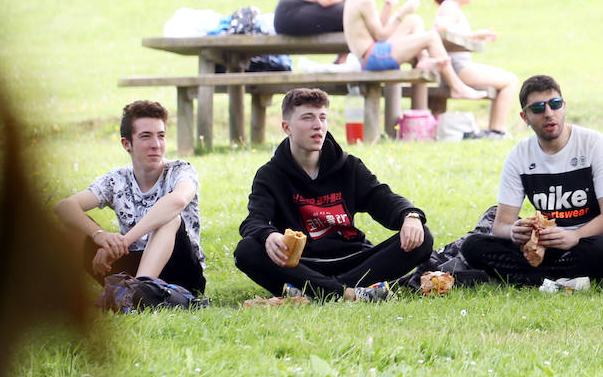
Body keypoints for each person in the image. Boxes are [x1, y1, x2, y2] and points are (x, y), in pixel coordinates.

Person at [233, 88, 433, 301]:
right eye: (307, 118)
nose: (318, 125)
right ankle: (347, 293)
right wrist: (269, 235)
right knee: (246, 250)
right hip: (303, 265)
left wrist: (410, 216)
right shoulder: (270, 174)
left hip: (354, 259)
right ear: (286, 127)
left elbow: (383, 198)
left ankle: (319, 292)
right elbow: (253, 221)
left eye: (322, 117)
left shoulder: (348, 166)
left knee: (423, 237)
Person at [459, 75, 603, 286]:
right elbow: (501, 224)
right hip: (544, 246)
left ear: (563, 107)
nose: (549, 113)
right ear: (525, 117)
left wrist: (575, 236)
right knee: (473, 245)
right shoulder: (519, 155)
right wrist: (514, 231)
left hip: (587, 239)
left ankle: (529, 279)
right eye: (538, 108)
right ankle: (553, 280)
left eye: (555, 105)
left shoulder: (594, 144)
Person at [55, 100, 206, 295]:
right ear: (127, 144)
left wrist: (123, 241)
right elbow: (64, 207)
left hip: (181, 272)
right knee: (70, 226)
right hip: (131, 266)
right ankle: (69, 297)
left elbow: (177, 201)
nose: (156, 145)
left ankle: (137, 293)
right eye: (146, 136)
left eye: (161, 136)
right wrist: (101, 236)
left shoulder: (180, 170)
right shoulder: (116, 179)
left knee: (170, 218)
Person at [343, 0, 482, 108]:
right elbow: (380, 36)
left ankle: (423, 60)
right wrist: (402, 12)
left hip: (370, 54)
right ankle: (457, 88)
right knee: (431, 37)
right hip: (372, 57)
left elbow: (378, 29)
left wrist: (391, 7)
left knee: (415, 21)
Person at [433, 0, 518, 136]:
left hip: (457, 67)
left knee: (507, 81)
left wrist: (478, 38)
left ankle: (495, 131)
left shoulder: (454, 7)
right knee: (511, 81)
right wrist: (475, 35)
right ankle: (496, 131)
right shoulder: (450, 6)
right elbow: (443, 30)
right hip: (458, 68)